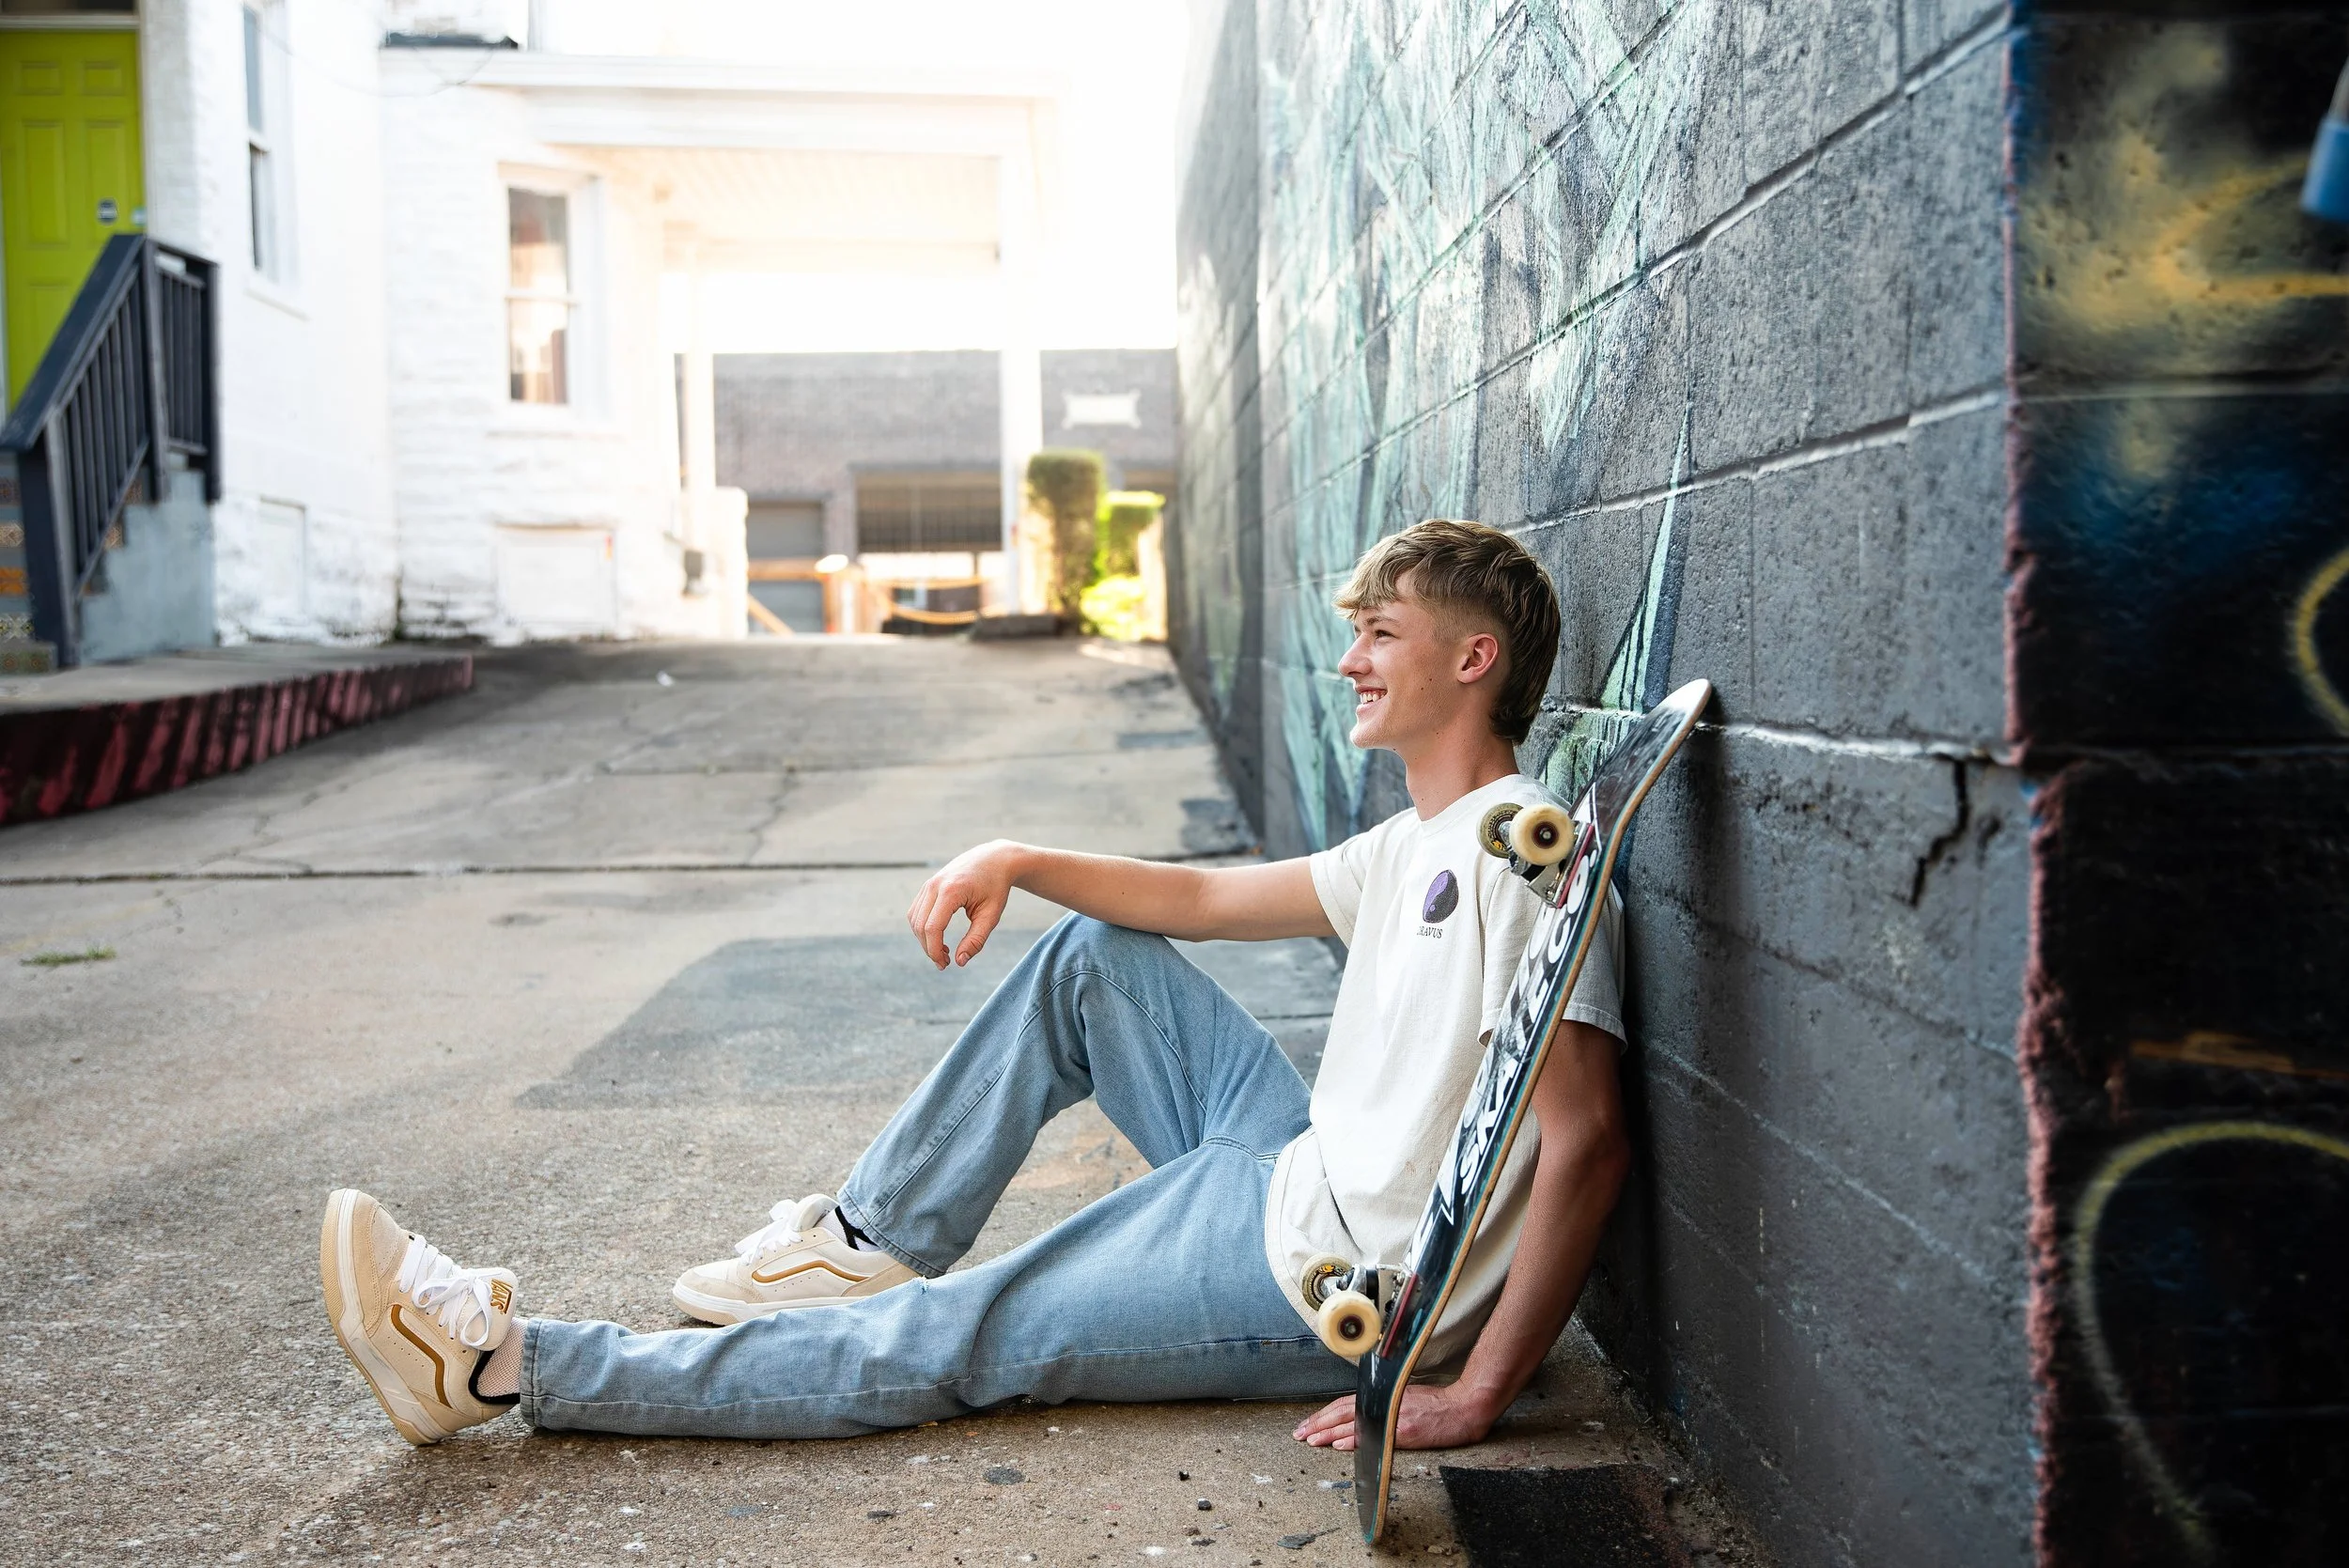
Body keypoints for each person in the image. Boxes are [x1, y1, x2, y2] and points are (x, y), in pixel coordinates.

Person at [319, 518, 1631, 1454]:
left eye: (1379, 635)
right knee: (1094, 958)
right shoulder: (1412, 844)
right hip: (1290, 1165)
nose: (1350, 660)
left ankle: (497, 1364)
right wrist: (1015, 855)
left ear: (1470, 662)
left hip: (1322, 1274)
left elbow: (1587, 1141)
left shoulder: (1525, 862)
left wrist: (1475, 1389)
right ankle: (866, 1243)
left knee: (949, 1343)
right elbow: (1197, 903)